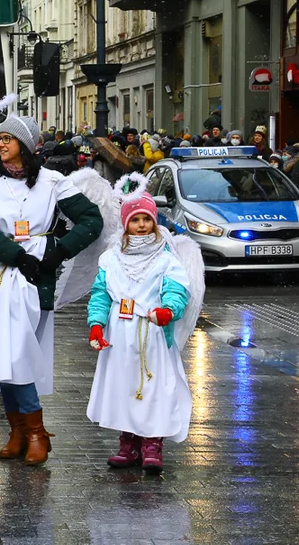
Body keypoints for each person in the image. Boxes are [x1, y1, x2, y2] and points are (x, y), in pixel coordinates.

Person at [0, 108, 103, 466]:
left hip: (37, 275)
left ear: (25, 145)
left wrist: (59, 251)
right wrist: (15, 254)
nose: (1, 143)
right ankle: (21, 430)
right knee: (7, 354)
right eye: (0, 138)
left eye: (8, 138)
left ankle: (35, 431)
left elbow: (91, 219)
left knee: (19, 352)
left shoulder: (54, 182)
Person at [86, 183, 197, 474]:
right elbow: (100, 294)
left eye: (146, 219)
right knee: (125, 387)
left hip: (152, 335)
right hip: (120, 333)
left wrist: (167, 311)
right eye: (135, 220)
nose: (141, 225)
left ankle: (152, 444)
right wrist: (96, 325)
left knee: (153, 388)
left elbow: (176, 291)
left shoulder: (166, 259)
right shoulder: (111, 259)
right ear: (126, 224)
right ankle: (128, 444)